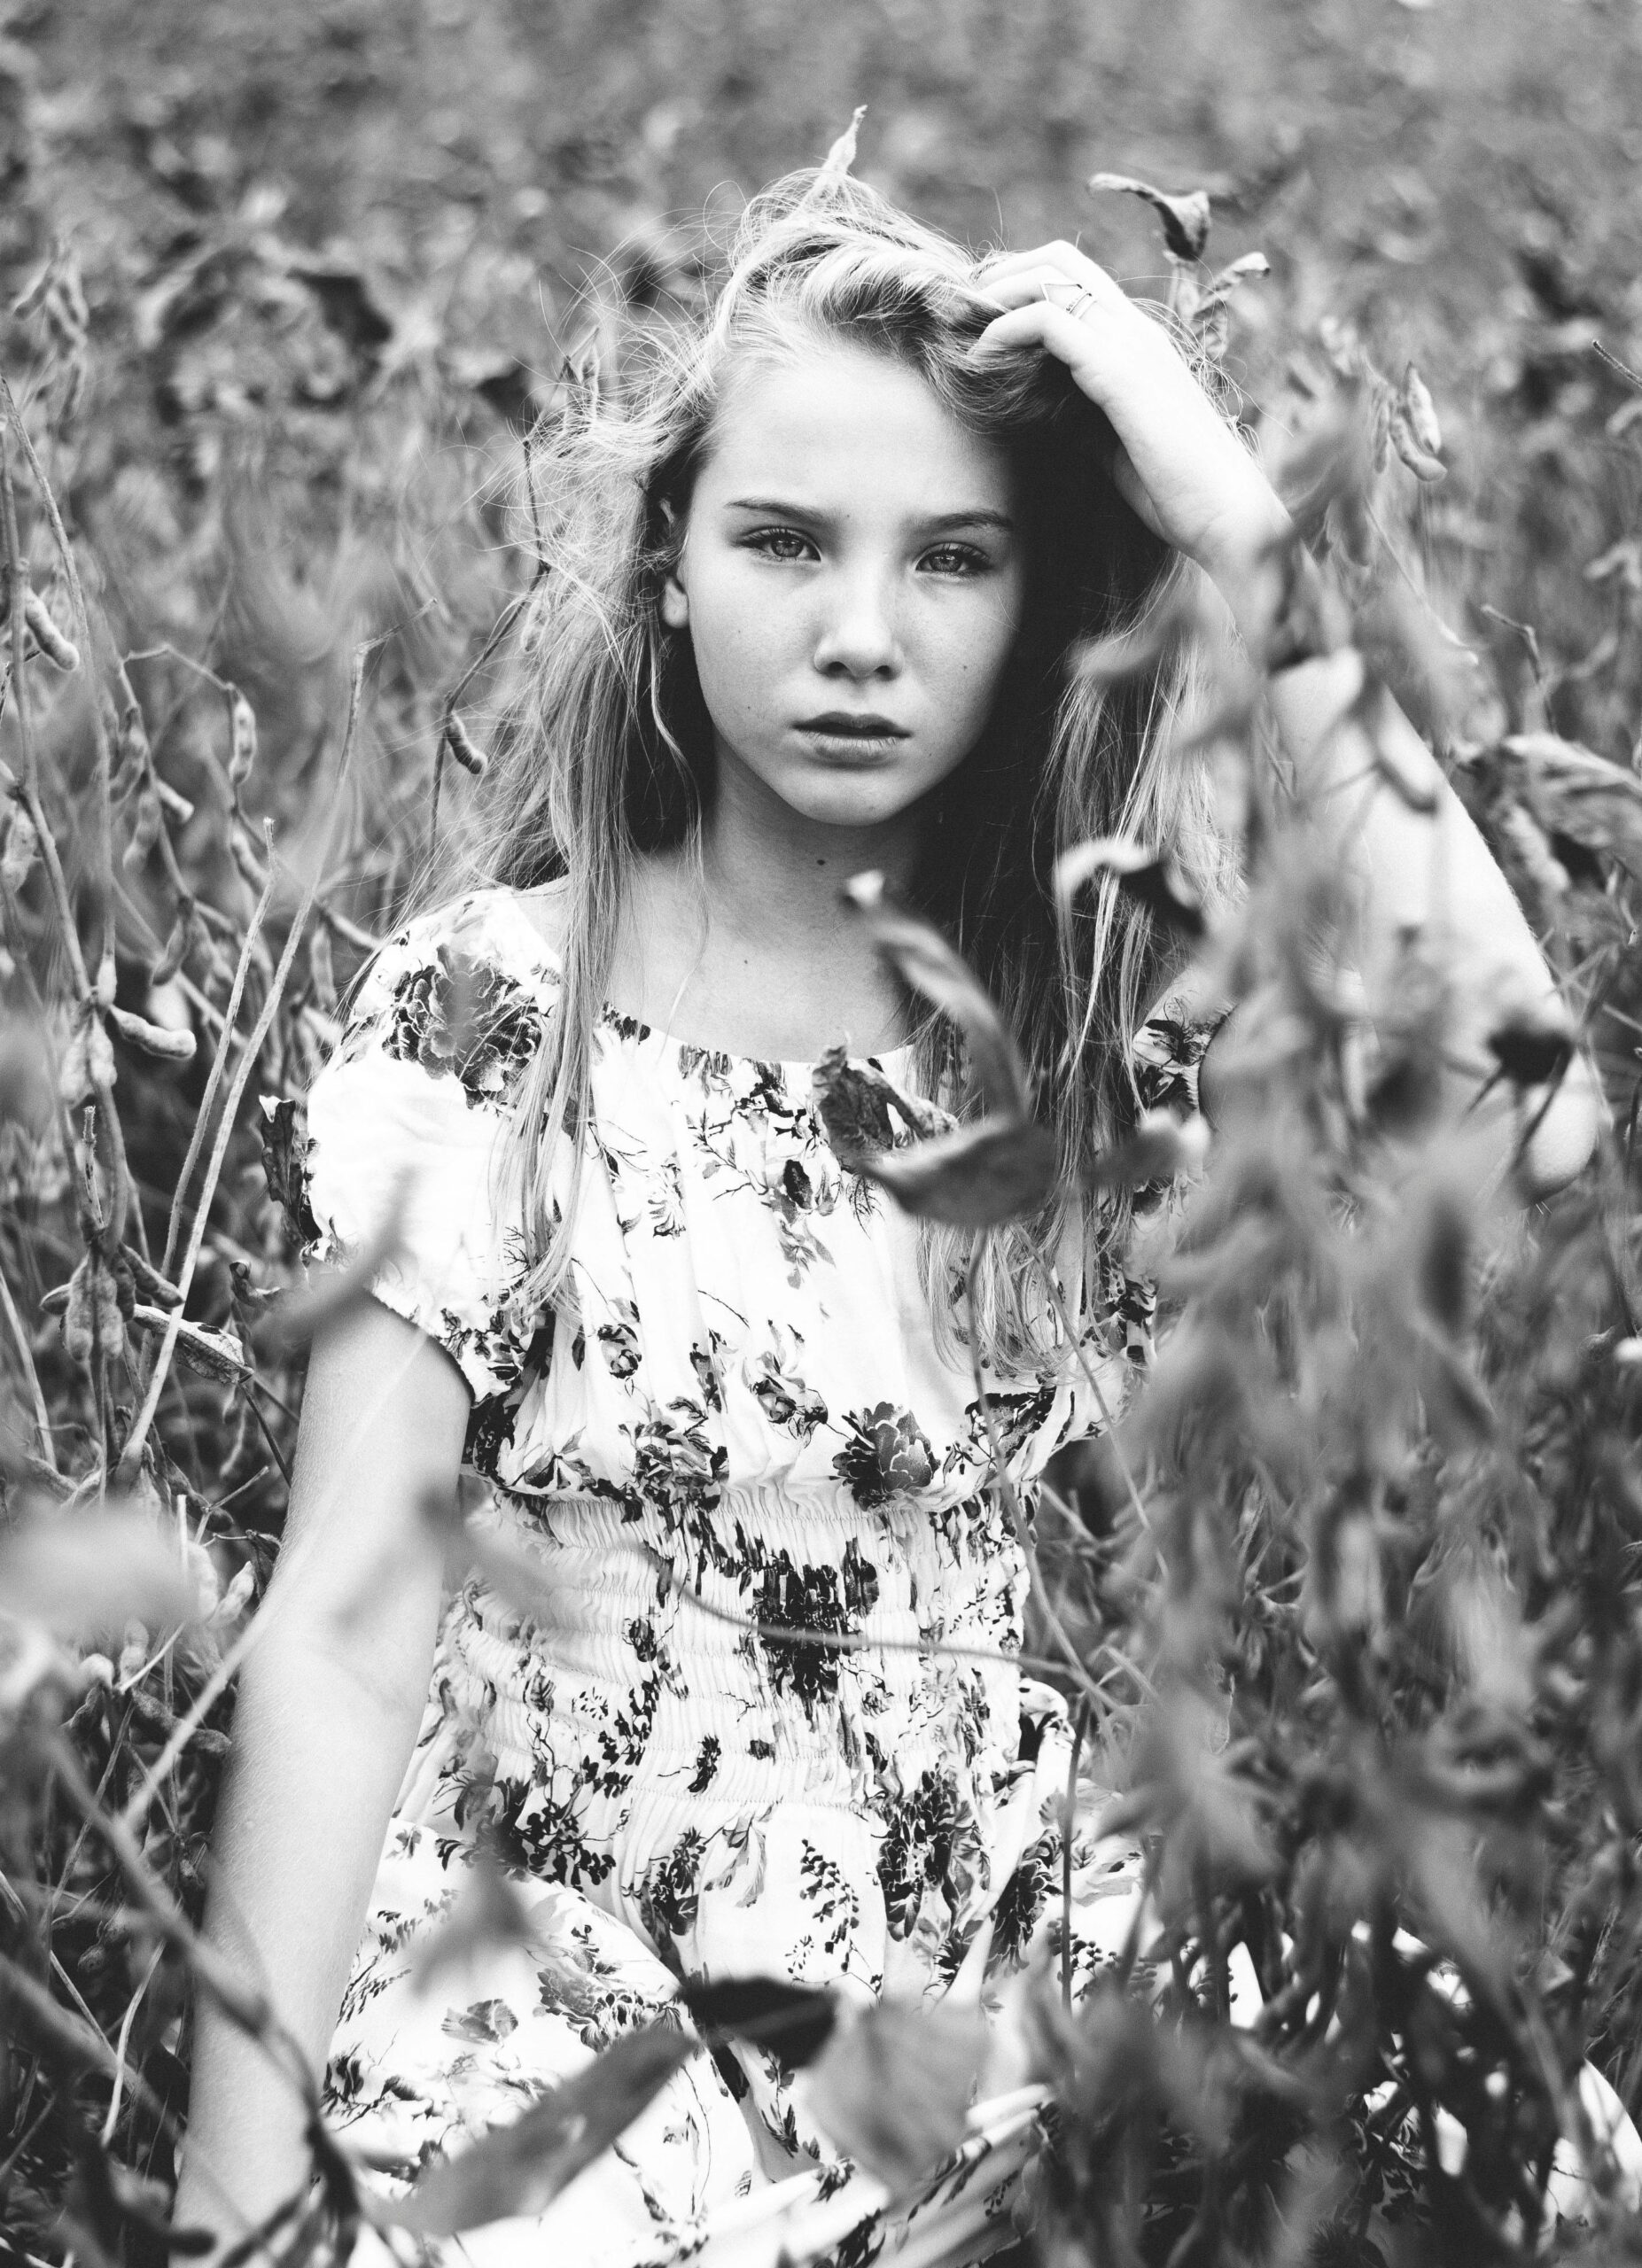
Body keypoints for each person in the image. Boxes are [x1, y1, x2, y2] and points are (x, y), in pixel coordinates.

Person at [172, 167, 1603, 2267]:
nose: (862, 632)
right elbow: (345, 1624)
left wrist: (1236, 526)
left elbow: (1521, 1116)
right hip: (570, 1937)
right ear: (666, 565)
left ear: (1039, 604)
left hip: (987, 1895)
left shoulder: (1093, 1008)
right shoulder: (498, 1004)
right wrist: (235, 2211)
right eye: (782, 540)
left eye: (955, 559)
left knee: (1494, 2151)